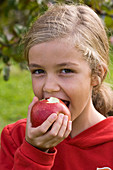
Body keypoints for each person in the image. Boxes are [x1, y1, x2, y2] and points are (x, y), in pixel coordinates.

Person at [0, 3, 113, 170]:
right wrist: (34, 152)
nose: (50, 86)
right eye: (39, 71)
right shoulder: (16, 138)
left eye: (66, 70)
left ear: (96, 74)